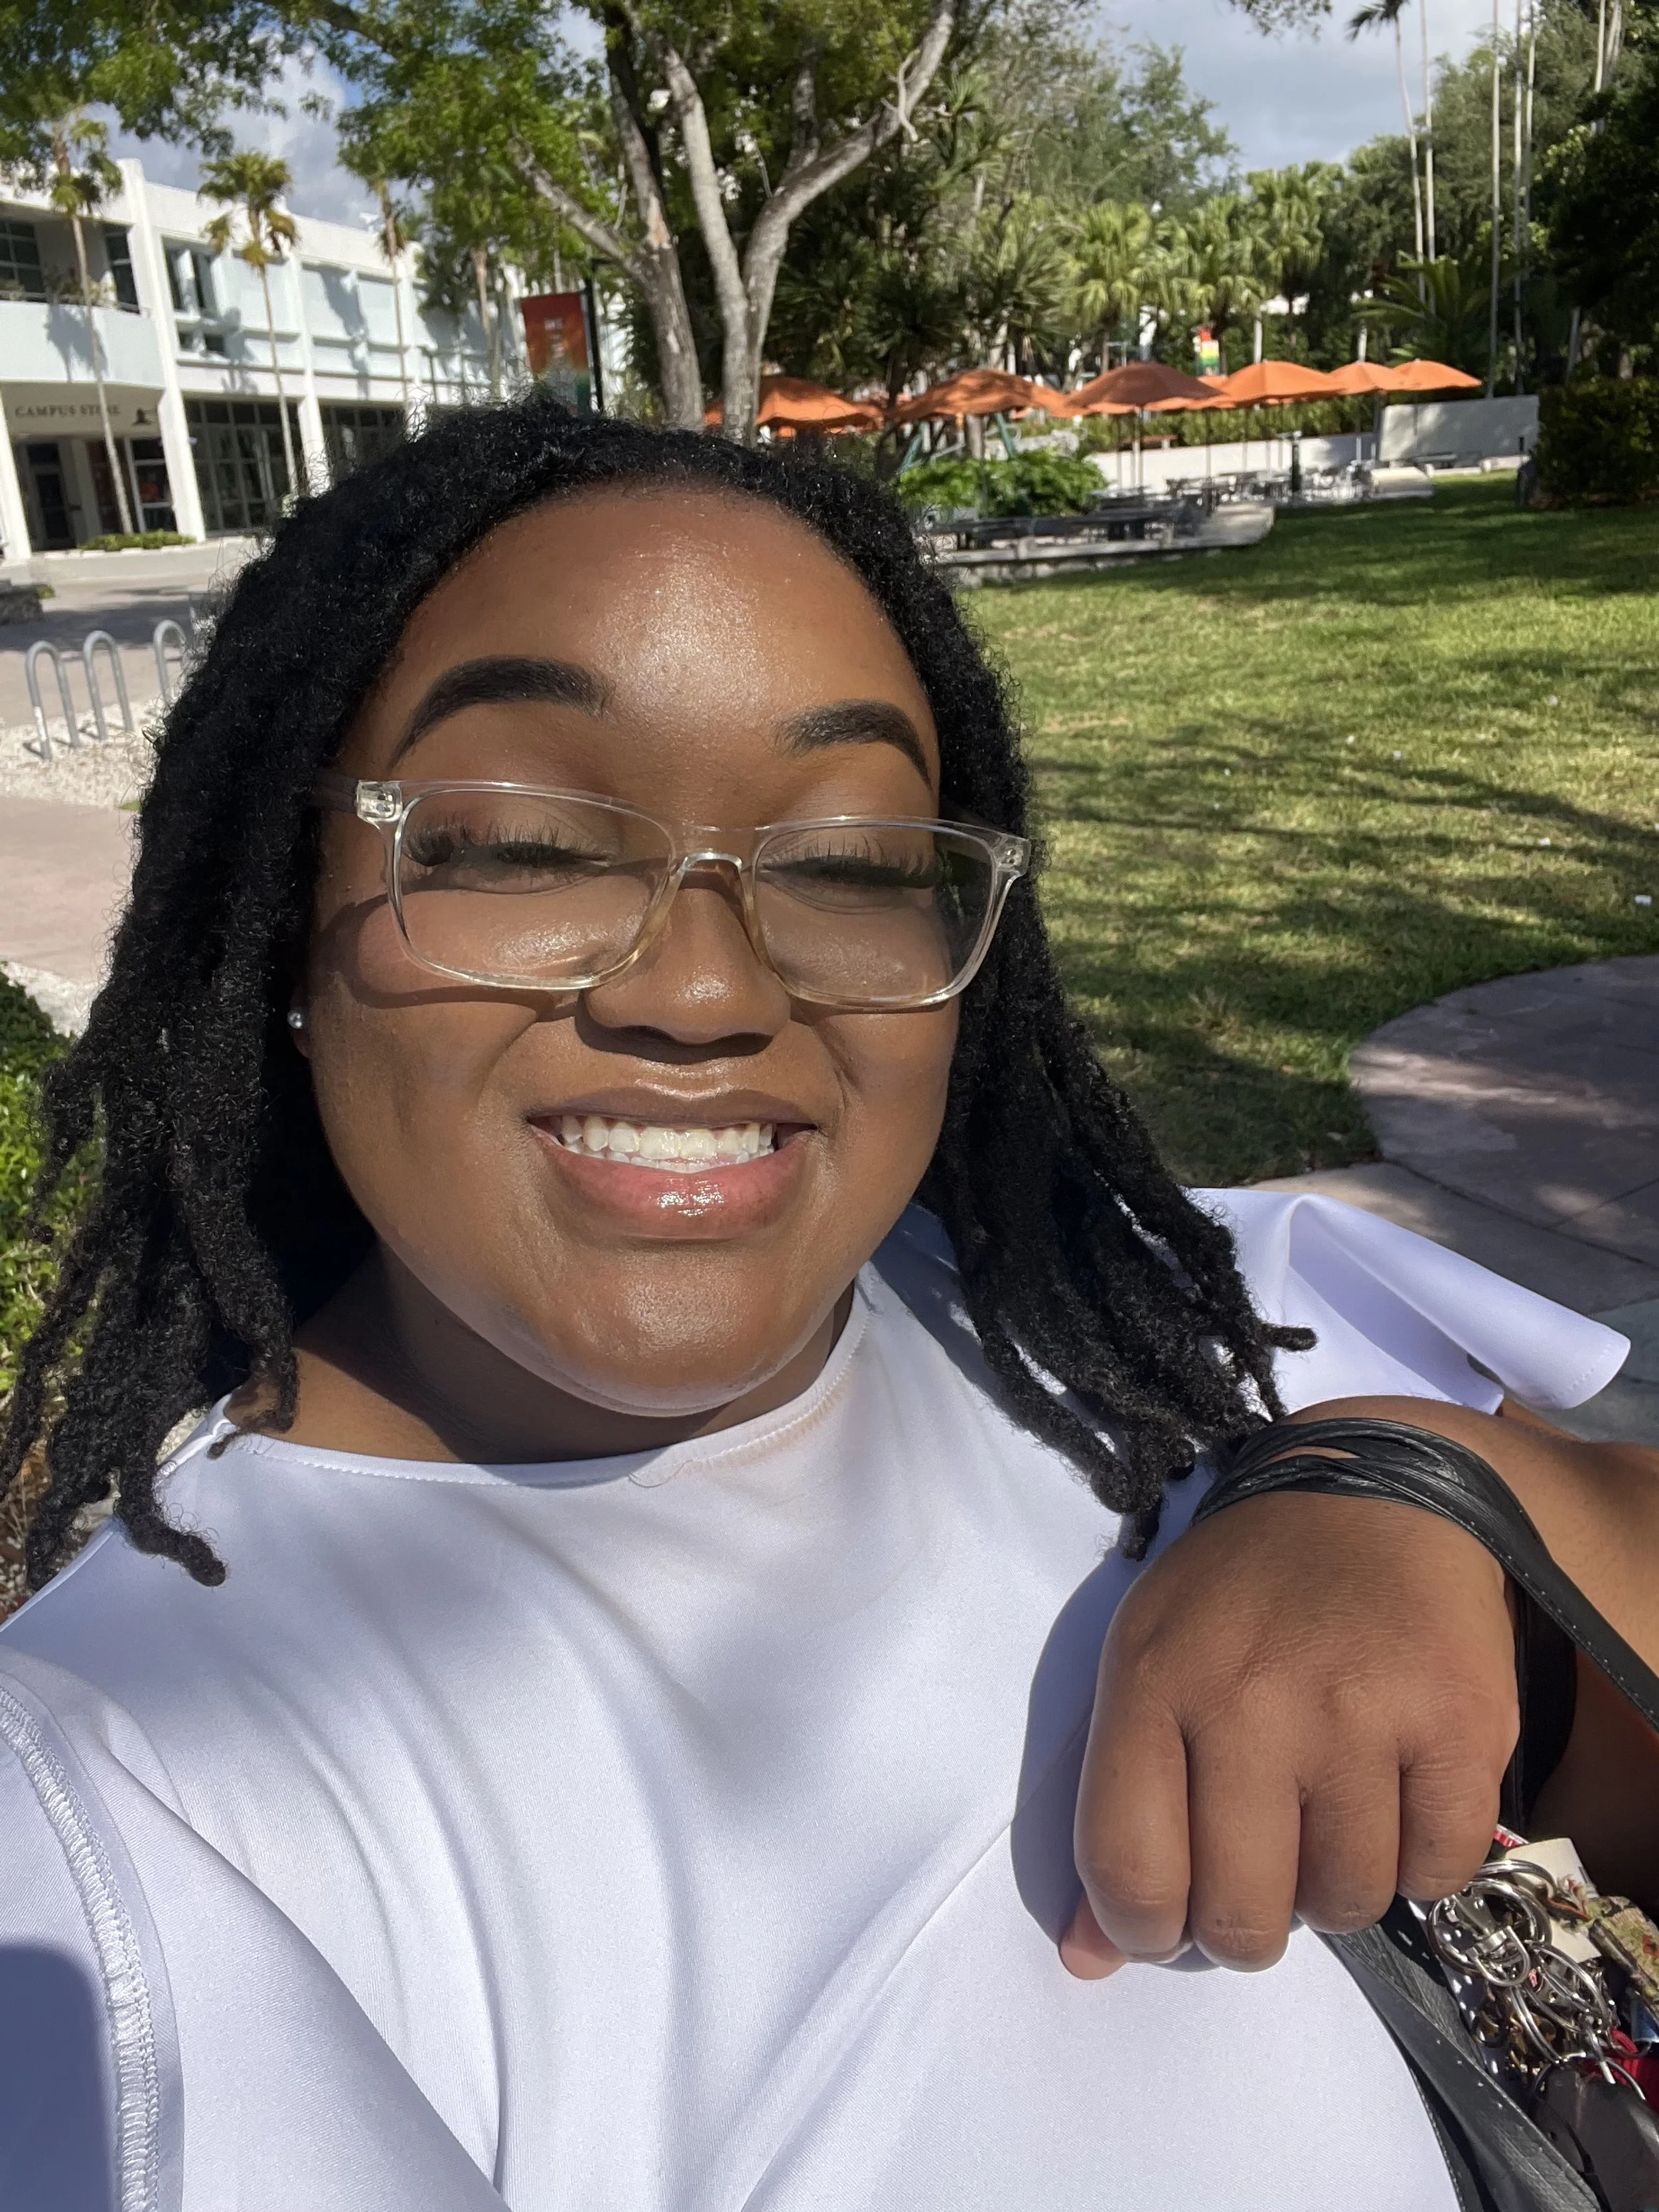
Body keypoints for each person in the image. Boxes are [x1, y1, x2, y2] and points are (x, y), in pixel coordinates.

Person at [0, 405, 1654, 2210]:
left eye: (852, 862)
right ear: (279, 912)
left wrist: (1421, 1487)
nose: (705, 990)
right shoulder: (124, 1837)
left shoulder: (1161, 1324)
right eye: (527, 846)